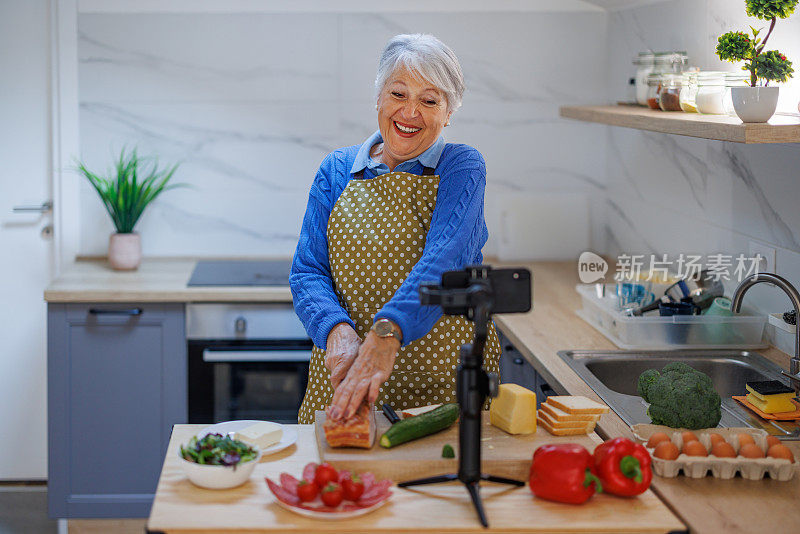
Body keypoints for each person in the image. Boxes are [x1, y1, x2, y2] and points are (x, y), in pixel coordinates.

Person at [290, 33, 501, 425]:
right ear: (379, 98)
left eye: (429, 100)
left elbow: (445, 262)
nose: (410, 112)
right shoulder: (336, 171)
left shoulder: (461, 167)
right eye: (399, 94)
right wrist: (336, 331)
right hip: (343, 372)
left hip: (438, 388)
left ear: (449, 112)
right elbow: (308, 271)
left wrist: (386, 333)